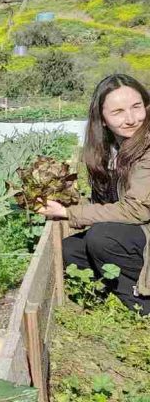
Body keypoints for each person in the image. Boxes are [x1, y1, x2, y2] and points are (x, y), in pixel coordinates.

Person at [39, 73, 150, 314]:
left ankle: (141, 303)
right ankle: (113, 298)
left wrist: (70, 213)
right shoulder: (113, 148)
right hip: (141, 231)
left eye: (136, 107)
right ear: (102, 118)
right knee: (71, 249)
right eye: (118, 112)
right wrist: (65, 201)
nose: (130, 118)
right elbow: (110, 202)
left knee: (102, 237)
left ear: (146, 106)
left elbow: (136, 209)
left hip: (143, 225)